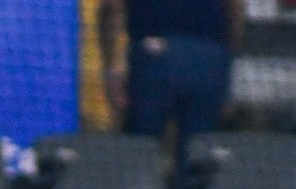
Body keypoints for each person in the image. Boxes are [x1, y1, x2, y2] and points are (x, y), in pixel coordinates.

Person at [98, 0, 244, 147]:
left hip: (153, 54)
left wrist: (110, 68)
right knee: (200, 151)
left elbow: (111, 7)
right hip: (208, 56)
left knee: (140, 149)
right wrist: (225, 57)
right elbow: (235, 8)